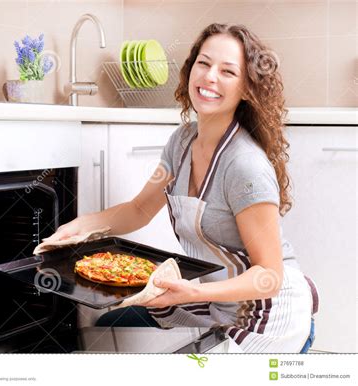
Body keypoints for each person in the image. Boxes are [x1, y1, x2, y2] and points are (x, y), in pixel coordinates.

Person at [42, 23, 319, 353]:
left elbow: (269, 276)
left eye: (228, 71)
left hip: (269, 314)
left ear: (246, 88)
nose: (210, 77)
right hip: (219, 304)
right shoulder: (182, 141)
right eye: (204, 63)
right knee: (108, 330)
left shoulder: (245, 166)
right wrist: (78, 228)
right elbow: (140, 209)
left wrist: (192, 293)